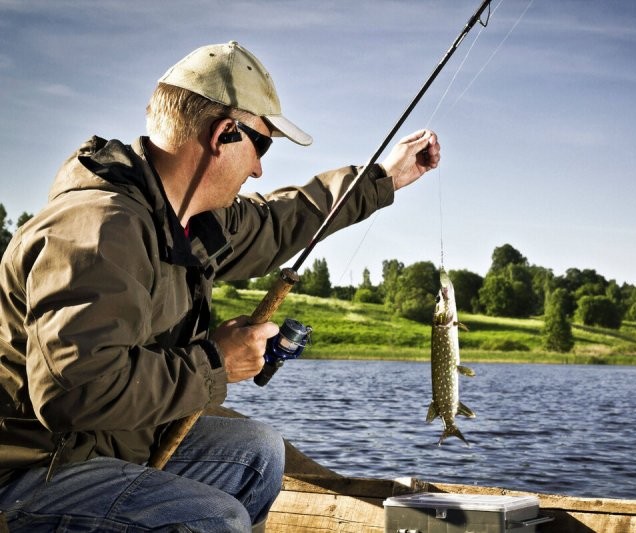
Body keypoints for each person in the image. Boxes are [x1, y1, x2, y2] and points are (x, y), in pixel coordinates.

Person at [0, 41, 440, 531]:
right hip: (31, 471)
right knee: (214, 517)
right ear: (224, 133)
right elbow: (74, 391)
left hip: (109, 445)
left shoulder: (187, 221)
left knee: (257, 452)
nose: (258, 168)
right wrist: (216, 361)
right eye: (262, 146)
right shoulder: (101, 229)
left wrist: (384, 178)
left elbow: (281, 219)